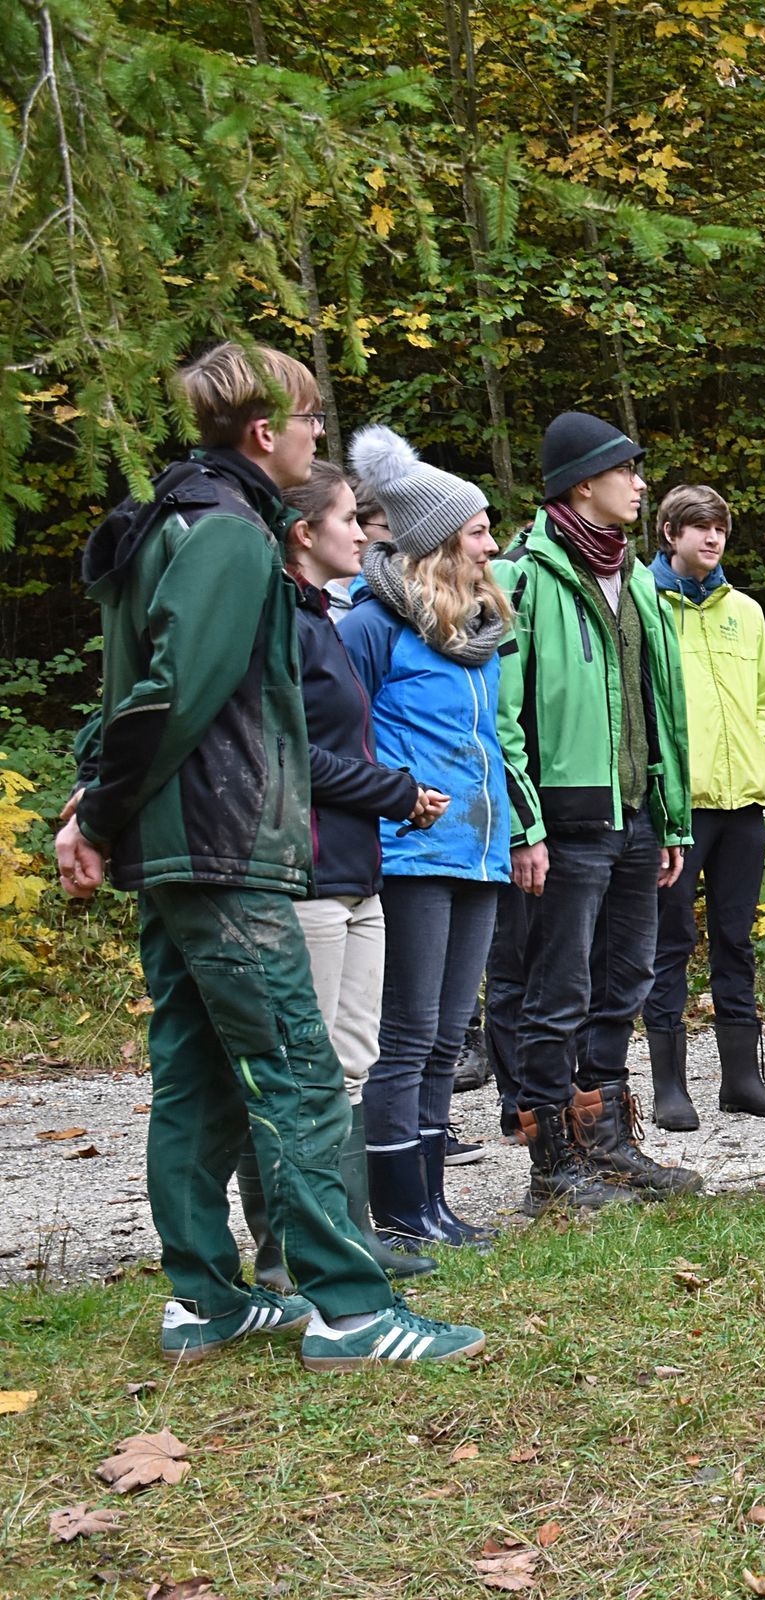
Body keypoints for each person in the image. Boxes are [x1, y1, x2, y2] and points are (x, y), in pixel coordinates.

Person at [57, 342, 482, 1368]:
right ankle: (347, 1304)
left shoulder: (168, 518)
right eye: (309, 427)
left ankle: (204, 1297)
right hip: (224, 845)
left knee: (199, 1076)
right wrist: (104, 815)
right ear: (264, 432)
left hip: (184, 846)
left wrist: (100, 807)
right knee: (296, 1064)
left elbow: (130, 692)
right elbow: (170, 695)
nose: (316, 443)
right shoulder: (229, 537)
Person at [235, 457, 442, 1286]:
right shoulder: (273, 621)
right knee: (303, 1062)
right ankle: (285, 1247)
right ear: (302, 532)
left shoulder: (325, 617)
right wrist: (395, 790)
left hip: (360, 870)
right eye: (350, 518)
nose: (364, 531)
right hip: (304, 869)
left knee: (352, 1059)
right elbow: (290, 756)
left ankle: (347, 1232)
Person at [490, 411, 699, 1209]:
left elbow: (661, 708)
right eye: (628, 470)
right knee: (555, 992)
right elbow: (501, 715)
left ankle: (609, 1143)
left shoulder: (638, 576)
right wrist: (524, 825)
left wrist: (670, 818)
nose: (641, 484)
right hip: (564, 826)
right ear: (584, 484)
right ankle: (552, 1171)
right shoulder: (523, 577)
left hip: (637, 818)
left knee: (625, 984)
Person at [342, 425, 518, 1246]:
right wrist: (394, 802)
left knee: (449, 1037)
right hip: (409, 851)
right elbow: (338, 736)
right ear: (440, 543)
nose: (493, 543)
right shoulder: (371, 627)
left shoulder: (479, 633)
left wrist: (519, 830)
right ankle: (400, 1209)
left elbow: (494, 742)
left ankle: (434, 1202)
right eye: (479, 530)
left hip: (478, 850)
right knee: (406, 1037)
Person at [642, 484, 765, 1128]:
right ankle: (669, 1087)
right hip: (677, 806)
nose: (712, 538)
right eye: (698, 527)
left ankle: (742, 1079)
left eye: (720, 529)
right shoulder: (642, 605)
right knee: (669, 942)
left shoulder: (748, 612)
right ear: (670, 533)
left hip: (744, 805)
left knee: (735, 939)